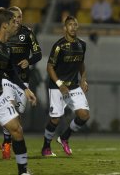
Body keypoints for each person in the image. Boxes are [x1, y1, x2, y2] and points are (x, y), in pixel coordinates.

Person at [0, 7, 37, 175]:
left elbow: (11, 72)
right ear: (5, 26)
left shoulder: (5, 48)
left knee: (17, 130)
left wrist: (25, 90)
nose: (16, 25)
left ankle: (23, 171)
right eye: (13, 22)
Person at [41, 16, 90, 157]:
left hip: (74, 86)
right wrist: (59, 84)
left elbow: (81, 63)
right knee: (55, 119)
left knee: (84, 115)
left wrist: (83, 80)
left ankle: (64, 138)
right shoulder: (59, 46)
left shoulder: (82, 44)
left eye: (75, 24)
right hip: (57, 87)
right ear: (65, 28)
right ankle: (46, 147)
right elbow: (49, 67)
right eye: (70, 25)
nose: (73, 27)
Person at [0, 6, 42, 160]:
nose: (18, 19)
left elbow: (38, 54)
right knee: (9, 109)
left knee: (18, 114)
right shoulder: (4, 32)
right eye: (15, 17)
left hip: (23, 80)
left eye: (20, 16)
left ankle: (8, 139)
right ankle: (6, 143)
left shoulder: (28, 33)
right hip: (6, 78)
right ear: (10, 19)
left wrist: (29, 61)